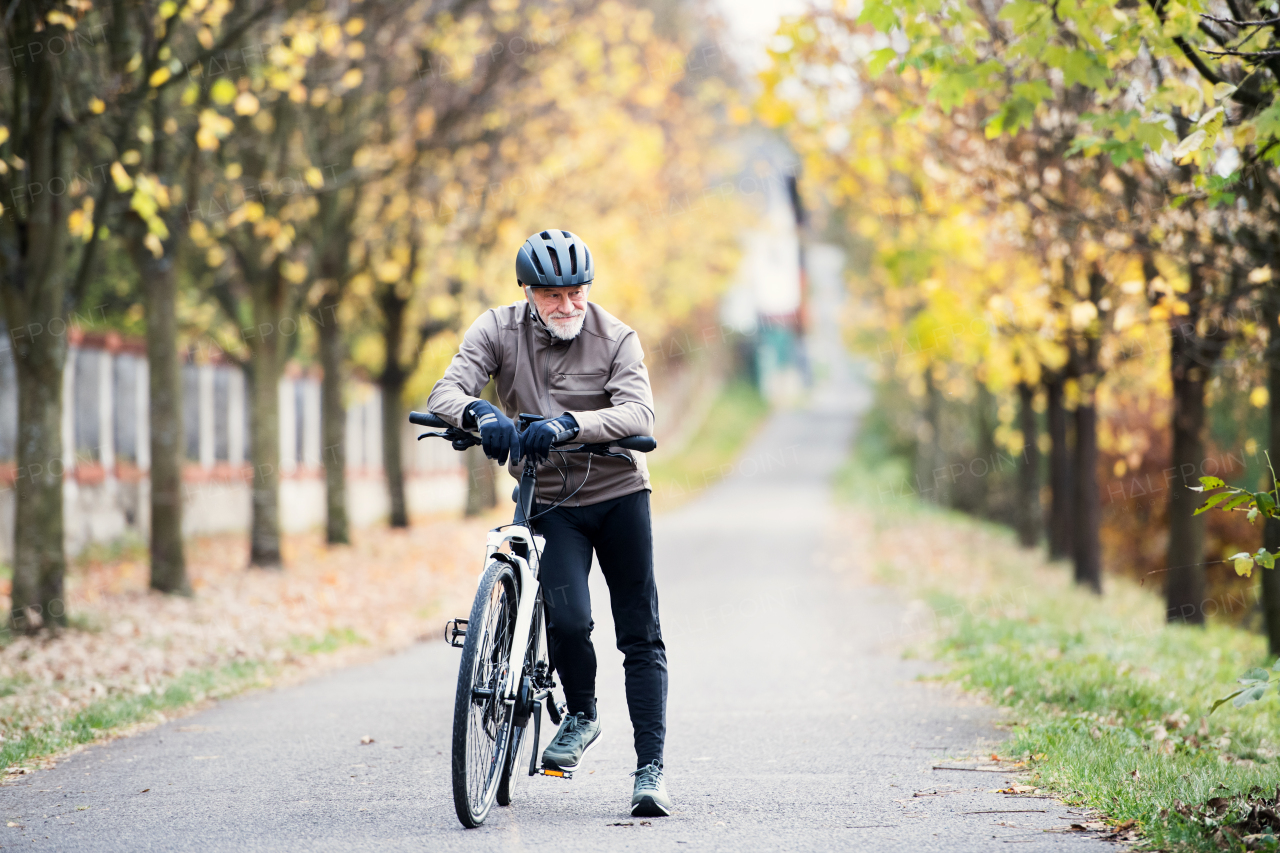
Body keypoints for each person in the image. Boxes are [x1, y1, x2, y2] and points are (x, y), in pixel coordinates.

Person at [426, 229, 672, 818]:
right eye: (552, 295)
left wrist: (567, 425)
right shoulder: (496, 329)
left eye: (576, 292)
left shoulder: (617, 337)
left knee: (638, 632)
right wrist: (480, 411)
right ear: (529, 292)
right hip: (551, 500)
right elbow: (445, 390)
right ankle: (582, 714)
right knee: (568, 618)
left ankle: (650, 771)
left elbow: (639, 411)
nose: (567, 306)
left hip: (618, 496)